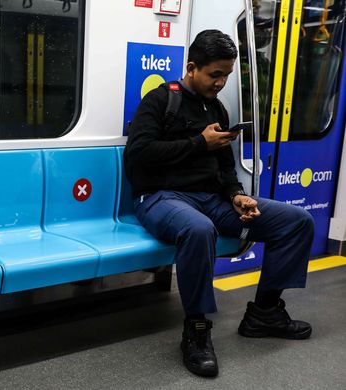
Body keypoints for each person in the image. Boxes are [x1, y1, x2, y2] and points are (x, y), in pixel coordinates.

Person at [124, 30, 314, 378]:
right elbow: (137, 157)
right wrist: (199, 143)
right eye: (215, 74)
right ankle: (196, 329)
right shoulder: (159, 100)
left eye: (226, 75)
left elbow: (224, 165)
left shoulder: (217, 108)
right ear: (193, 67)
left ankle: (265, 314)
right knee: (199, 229)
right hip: (160, 198)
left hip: (211, 199)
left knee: (296, 221)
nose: (221, 82)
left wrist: (236, 195)